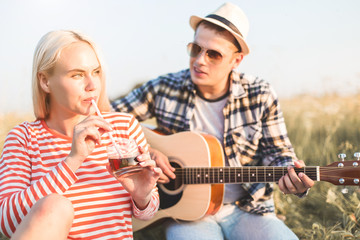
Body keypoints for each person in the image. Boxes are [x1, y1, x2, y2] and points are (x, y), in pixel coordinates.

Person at [112, 2, 314, 240]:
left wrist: (292, 176)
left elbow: (278, 153)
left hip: (247, 209)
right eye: (195, 48)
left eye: (214, 54)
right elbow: (108, 120)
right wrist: (146, 150)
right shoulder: (164, 88)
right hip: (186, 216)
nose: (199, 60)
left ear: (236, 61)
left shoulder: (261, 94)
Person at [0, 30, 162, 240]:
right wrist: (73, 161)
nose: (92, 85)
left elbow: (148, 212)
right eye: (77, 75)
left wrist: (143, 196)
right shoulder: (24, 138)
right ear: (45, 81)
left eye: (96, 72)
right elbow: (7, 223)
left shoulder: (123, 127)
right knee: (55, 205)